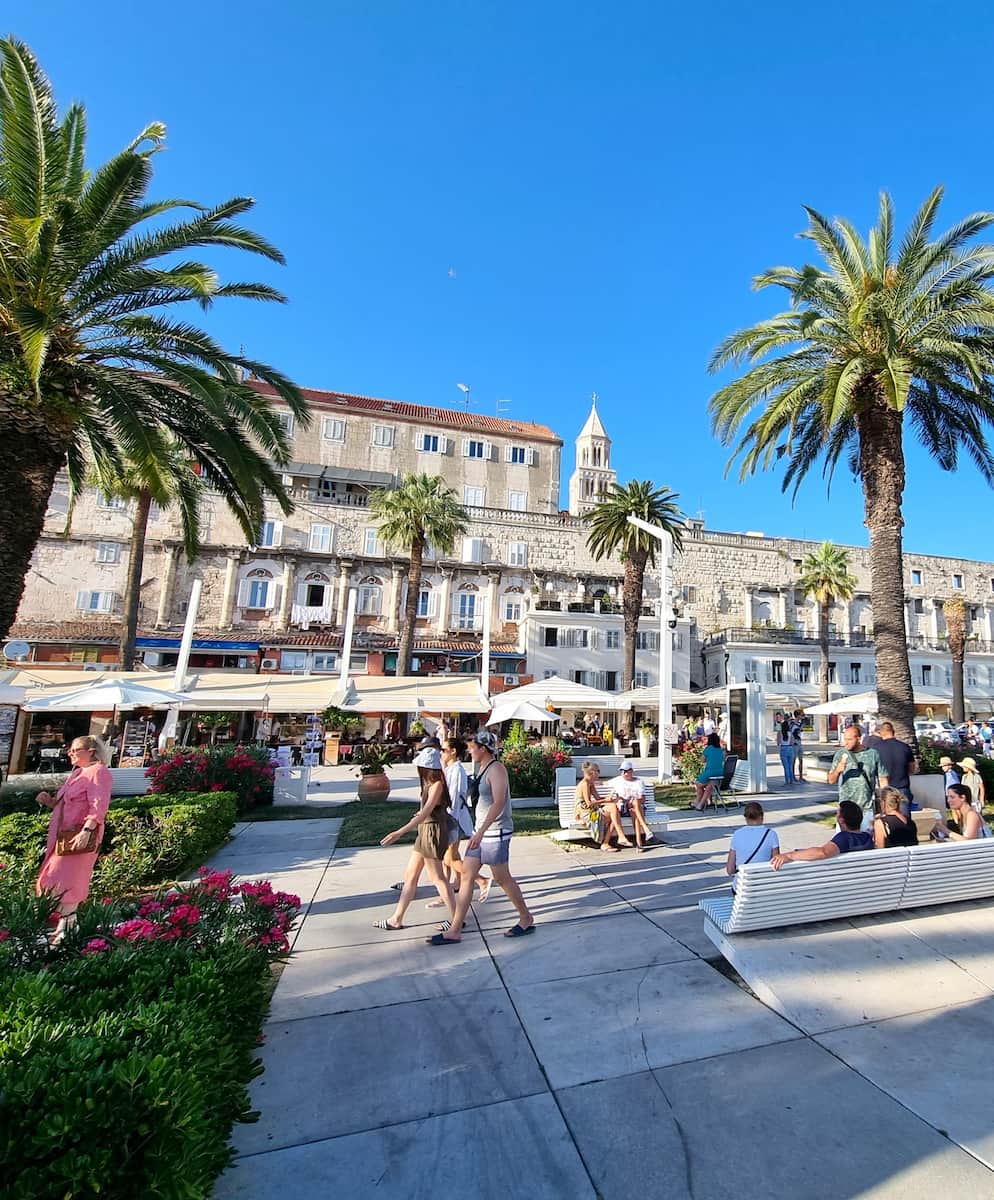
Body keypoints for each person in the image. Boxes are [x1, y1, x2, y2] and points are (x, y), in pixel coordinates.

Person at [428, 729, 534, 945]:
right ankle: (455, 929)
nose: (470, 751)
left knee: (503, 878)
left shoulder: (497, 770)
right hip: (481, 833)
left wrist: (482, 830)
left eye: (472, 747)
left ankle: (526, 918)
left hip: (496, 832)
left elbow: (498, 802)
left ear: (483, 749)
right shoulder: (482, 768)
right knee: (467, 876)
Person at [35, 736, 112, 941]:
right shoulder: (78, 773)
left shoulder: (99, 772)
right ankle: (65, 925)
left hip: (79, 837)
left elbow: (99, 805)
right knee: (52, 877)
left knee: (67, 880)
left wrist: (86, 831)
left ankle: (67, 929)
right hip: (63, 836)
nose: (70, 753)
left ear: (91, 751)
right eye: (70, 749)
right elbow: (67, 804)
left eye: (75, 749)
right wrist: (49, 801)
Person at [374, 748, 456, 931]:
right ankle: (396, 919)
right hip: (425, 831)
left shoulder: (437, 785)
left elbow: (426, 812)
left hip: (432, 832)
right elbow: (425, 811)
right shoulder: (429, 784)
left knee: (438, 878)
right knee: (410, 875)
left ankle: (456, 919)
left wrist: (400, 832)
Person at [771, 799, 873, 868]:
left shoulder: (844, 838)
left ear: (842, 820)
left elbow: (823, 852)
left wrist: (790, 856)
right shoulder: (867, 837)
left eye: (836, 815)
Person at [827, 725, 888, 830]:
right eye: (845, 739)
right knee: (844, 843)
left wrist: (885, 805)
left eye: (849, 739)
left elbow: (883, 780)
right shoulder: (840, 754)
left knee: (866, 842)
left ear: (859, 739)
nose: (846, 742)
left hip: (866, 809)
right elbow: (831, 780)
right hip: (845, 810)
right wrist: (837, 770)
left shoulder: (873, 754)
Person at [575, 760, 631, 851]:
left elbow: (598, 799)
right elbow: (588, 803)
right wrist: (606, 800)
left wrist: (612, 799)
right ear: (592, 772)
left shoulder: (590, 783)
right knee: (614, 811)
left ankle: (608, 842)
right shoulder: (585, 784)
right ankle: (616, 839)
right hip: (586, 814)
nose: (599, 773)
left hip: (591, 811)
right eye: (598, 771)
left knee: (615, 813)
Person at [862, 721, 918, 813]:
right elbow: (912, 769)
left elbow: (871, 769)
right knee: (904, 819)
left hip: (885, 789)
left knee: (887, 820)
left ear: (881, 733)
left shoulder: (876, 749)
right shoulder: (905, 747)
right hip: (903, 788)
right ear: (893, 732)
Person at [726, 801, 779, 889]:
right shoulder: (771, 834)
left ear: (745, 817)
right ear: (762, 816)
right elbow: (776, 863)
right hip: (763, 887)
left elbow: (730, 870)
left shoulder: (737, 834)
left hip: (741, 888)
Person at [606, 760, 654, 851]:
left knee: (635, 809)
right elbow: (603, 783)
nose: (624, 773)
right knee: (635, 805)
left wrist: (634, 800)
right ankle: (646, 830)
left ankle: (639, 844)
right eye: (622, 771)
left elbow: (643, 799)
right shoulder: (617, 780)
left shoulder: (639, 782)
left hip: (636, 808)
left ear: (631, 771)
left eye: (626, 771)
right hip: (624, 807)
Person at [693, 732, 726, 810]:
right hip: (720, 773)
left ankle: (698, 801)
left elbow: (702, 760)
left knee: (698, 784)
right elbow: (723, 759)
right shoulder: (721, 750)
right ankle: (701, 804)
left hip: (710, 772)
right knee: (709, 786)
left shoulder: (708, 749)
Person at [776, 713, 796, 787]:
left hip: (783, 748)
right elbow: (793, 742)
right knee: (790, 766)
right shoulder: (790, 733)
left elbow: (778, 743)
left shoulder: (779, 733)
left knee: (786, 767)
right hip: (790, 748)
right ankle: (791, 780)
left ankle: (787, 781)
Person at [791, 711, 805, 782]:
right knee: (793, 760)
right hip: (795, 742)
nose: (802, 716)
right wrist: (793, 742)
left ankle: (801, 776)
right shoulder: (792, 724)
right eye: (801, 715)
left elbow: (799, 732)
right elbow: (791, 733)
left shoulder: (799, 724)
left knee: (801, 759)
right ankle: (792, 776)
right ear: (798, 716)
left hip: (799, 742)